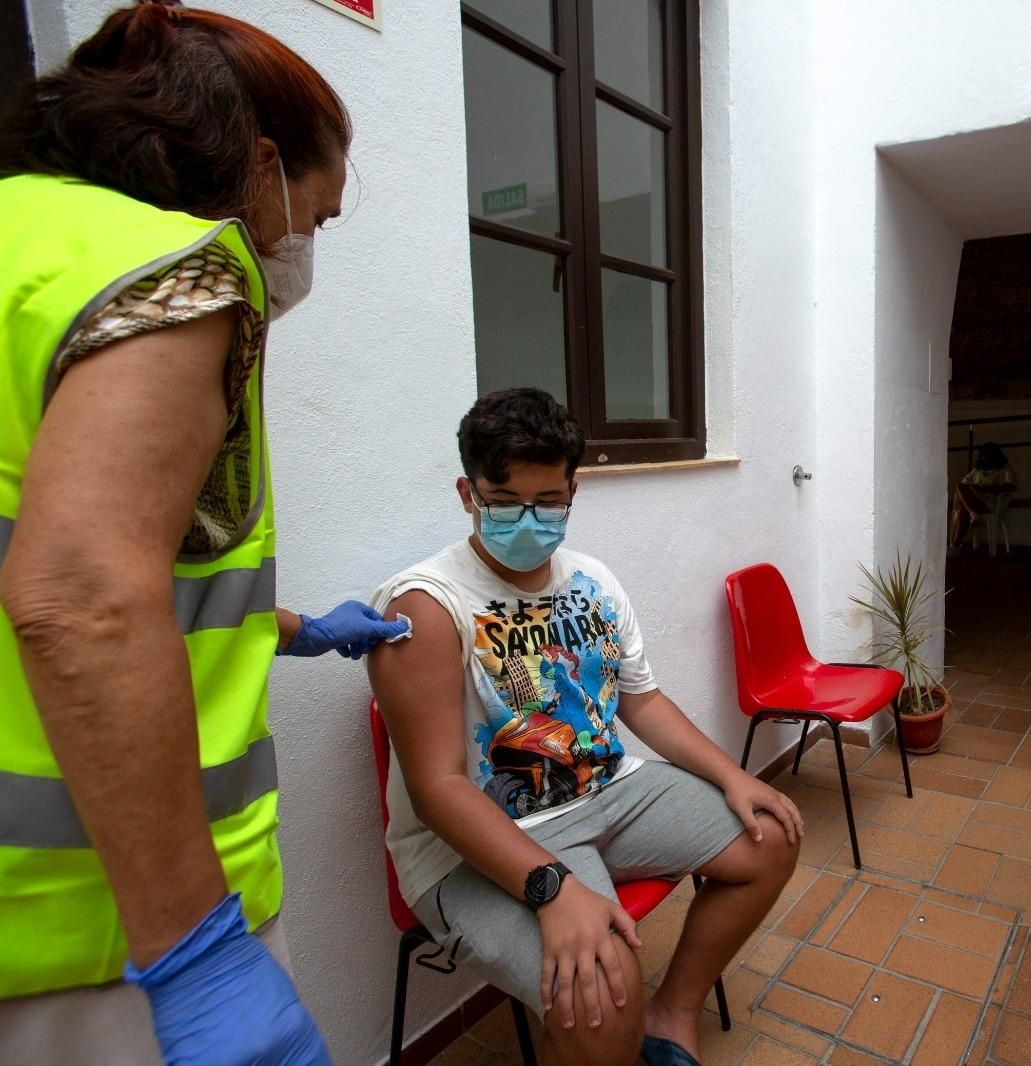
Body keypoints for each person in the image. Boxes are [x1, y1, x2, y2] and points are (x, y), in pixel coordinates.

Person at [0, 5, 405, 1062]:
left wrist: (289, 626)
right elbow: (79, 594)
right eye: (310, 218)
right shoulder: (171, 271)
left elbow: (63, 544)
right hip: (88, 923)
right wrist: (192, 950)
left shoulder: (24, 245)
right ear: (261, 167)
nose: (298, 249)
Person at [366, 388, 803, 1066]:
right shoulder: (426, 607)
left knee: (771, 835)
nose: (528, 519)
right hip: (486, 837)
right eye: (504, 501)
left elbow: (643, 702)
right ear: (466, 493)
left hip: (608, 791)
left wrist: (734, 777)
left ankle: (673, 1014)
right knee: (600, 999)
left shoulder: (592, 580)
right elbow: (436, 790)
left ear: (573, 492)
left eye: (548, 501)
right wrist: (552, 887)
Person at [949, 441, 1017, 551]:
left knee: (963, 507)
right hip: (975, 501)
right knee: (961, 493)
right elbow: (964, 483)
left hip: (990, 504)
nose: (984, 460)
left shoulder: (1004, 469)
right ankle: (955, 545)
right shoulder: (977, 470)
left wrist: (991, 488)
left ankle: (954, 545)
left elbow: (1012, 485)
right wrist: (976, 487)